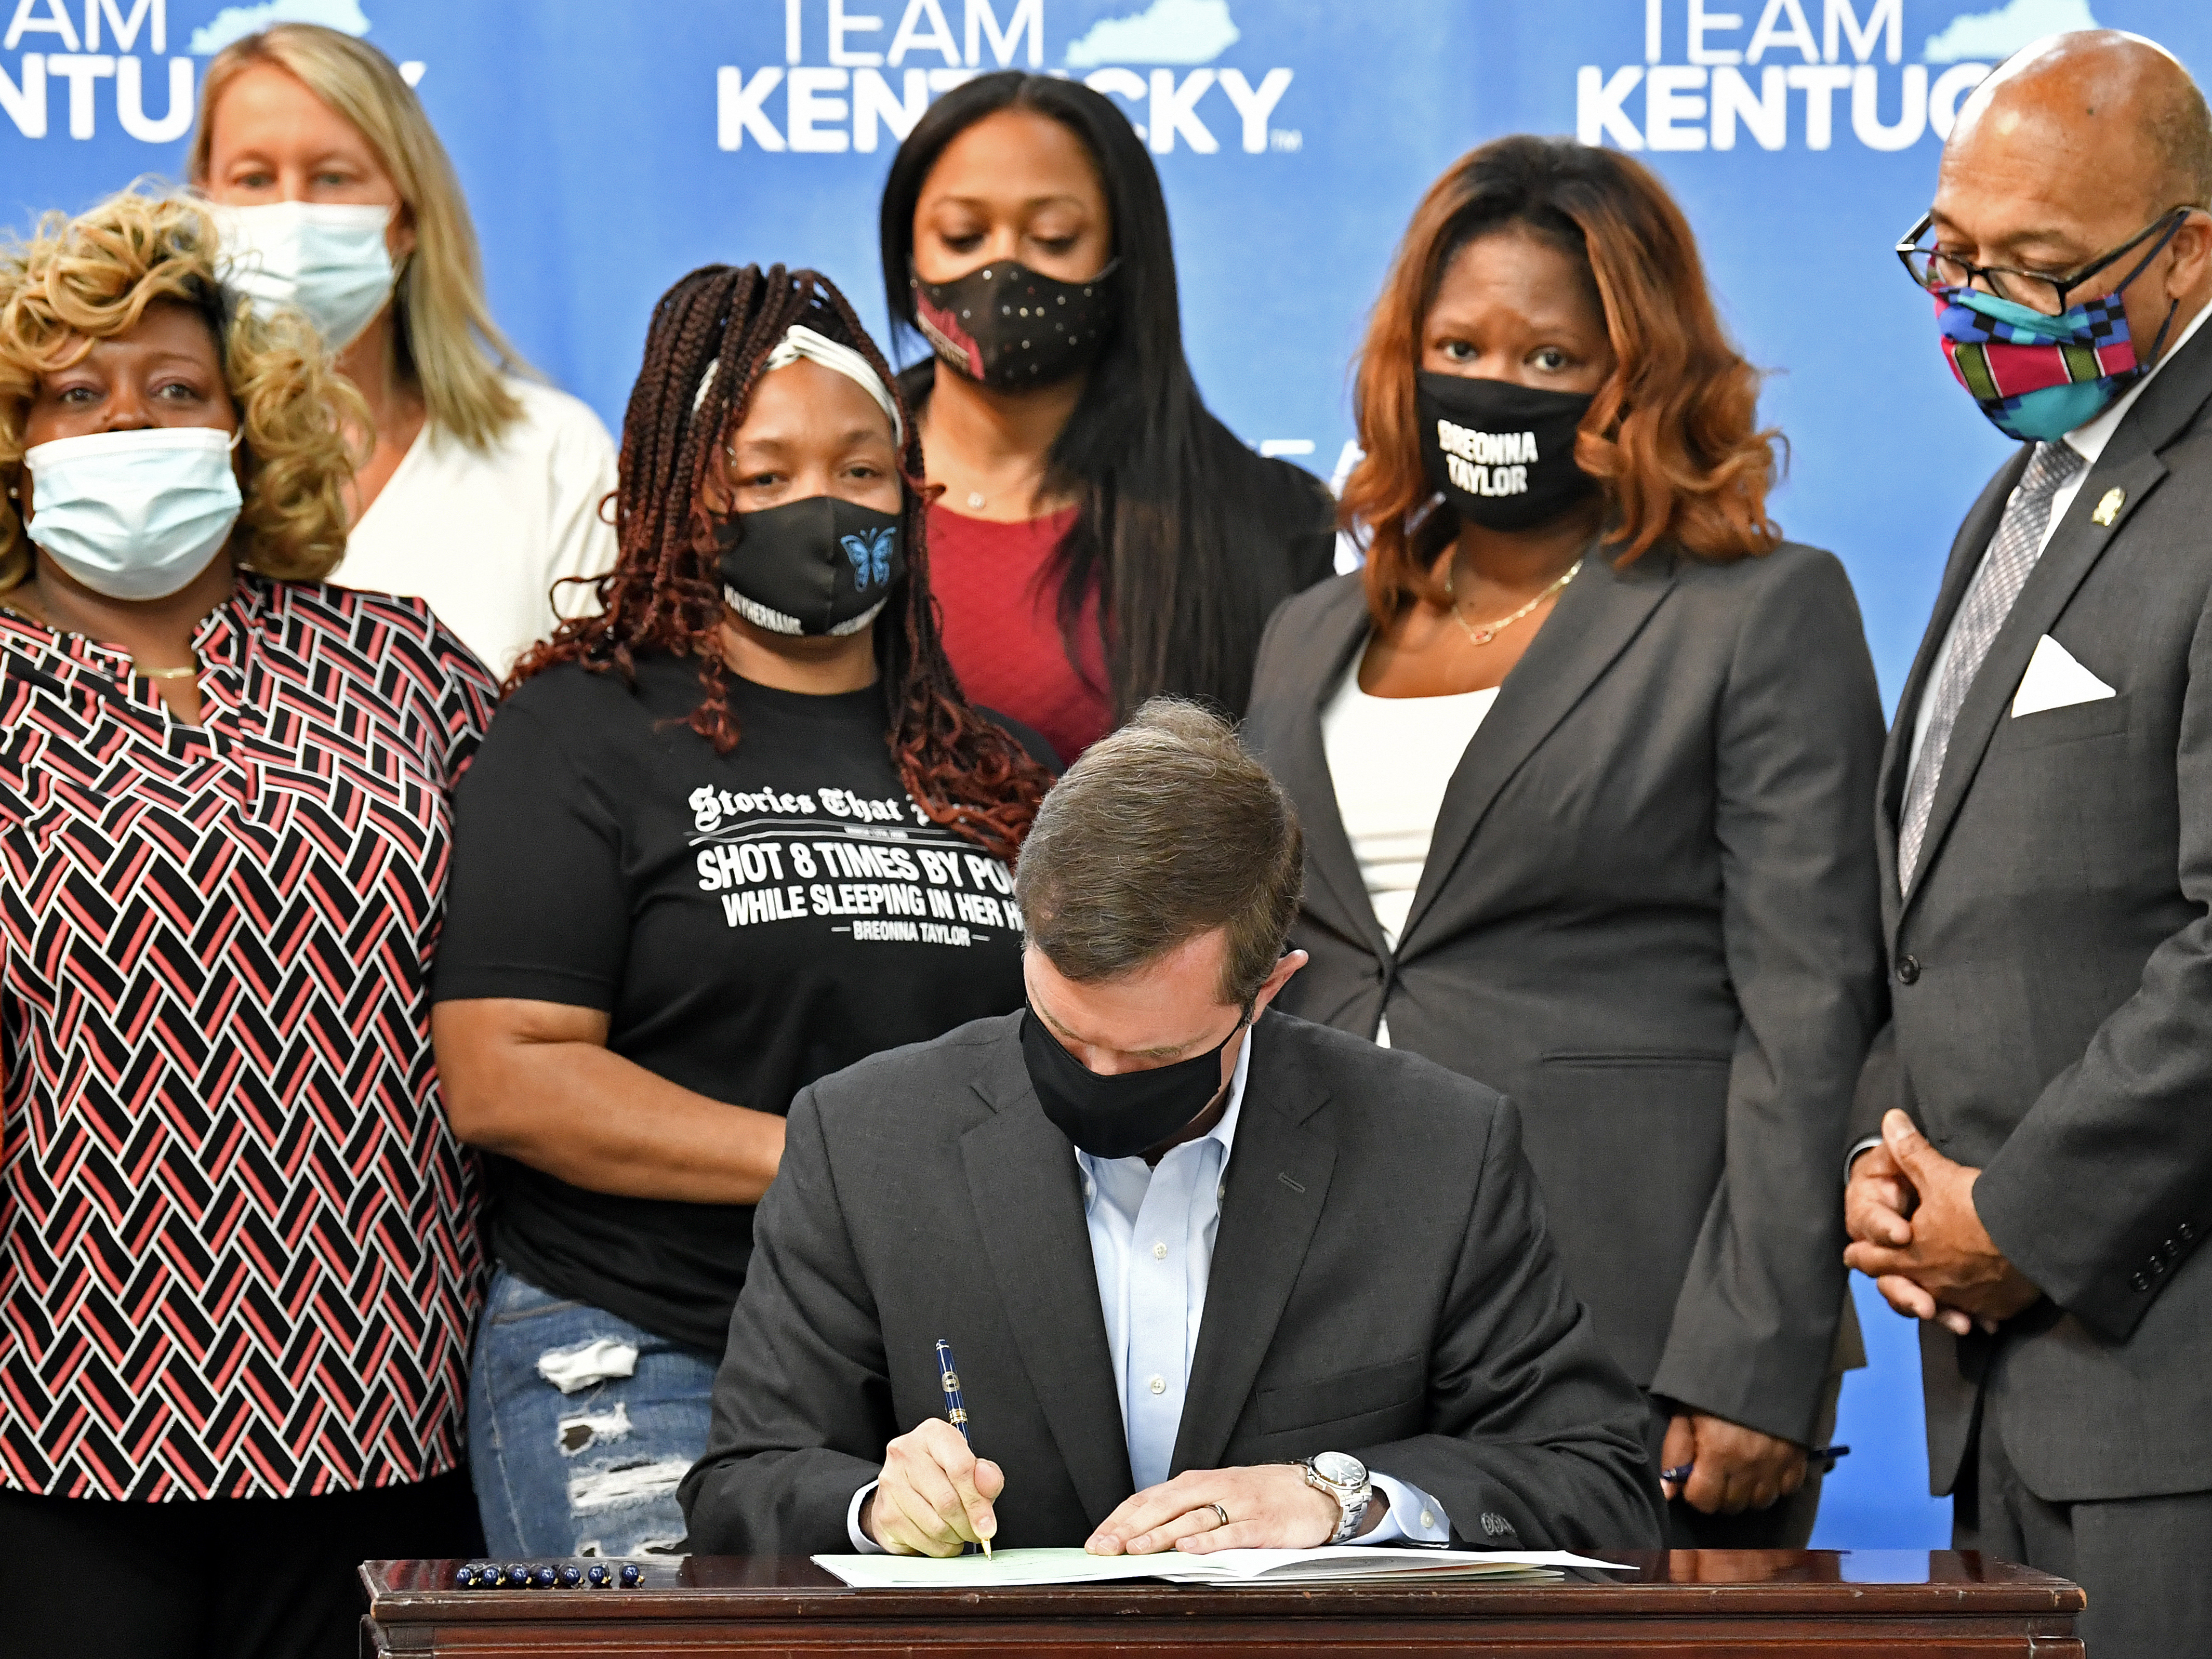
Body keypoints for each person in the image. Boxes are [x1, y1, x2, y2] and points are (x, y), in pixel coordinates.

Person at [1240, 137, 1886, 1548]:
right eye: (1459, 343)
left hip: (1629, 1333)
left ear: (1634, 378)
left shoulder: (1759, 611)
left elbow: (1812, 1004)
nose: (1498, 385)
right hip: (1316, 1326)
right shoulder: (1308, 632)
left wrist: (1754, 1351)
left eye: (1550, 360)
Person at [679, 700, 1664, 1557]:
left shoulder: (1438, 1148)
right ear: (1026, 935)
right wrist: (871, 1507)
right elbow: (742, 1483)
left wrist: (1339, 1497)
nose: (1099, 1075)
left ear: (1269, 988)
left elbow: (1595, 1481)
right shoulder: (867, 1138)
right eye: (1064, 1033)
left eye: (1152, 1057)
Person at [432, 264, 1058, 1560]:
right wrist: (830, 1164)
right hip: (640, 1344)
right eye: (764, 478)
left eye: (861, 470)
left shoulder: (1000, 772)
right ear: (687, 502)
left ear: (913, 493)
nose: (819, 506)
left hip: (929, 1375)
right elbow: (505, 1073)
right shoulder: (582, 728)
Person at [0, 190, 493, 1657]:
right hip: (54, 1424)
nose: (125, 423)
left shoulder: (401, 662)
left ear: (245, 422)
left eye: (173, 390)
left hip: (392, 1403)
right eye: (73, 394)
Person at [1844, 31, 2212, 1658]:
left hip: (2168, 1393)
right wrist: (1890, 1161)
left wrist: (2032, 1216)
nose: (1981, 304)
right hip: (2009, 1393)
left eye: (2040, 268)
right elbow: (1930, 907)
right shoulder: (2029, 491)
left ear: (2190, 248)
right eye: (1958, 252)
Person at [877, 71, 1336, 765]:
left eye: (1054, 239)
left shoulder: (1264, 525)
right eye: (964, 236)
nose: (1004, 269)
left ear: (1125, 260)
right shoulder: (813, 497)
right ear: (907, 253)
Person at [189, 23, 617, 676]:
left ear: (408, 219)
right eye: (253, 179)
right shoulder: (160, 468)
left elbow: (597, 740)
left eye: (334, 179)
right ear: (206, 206)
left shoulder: (552, 457)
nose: (294, 214)